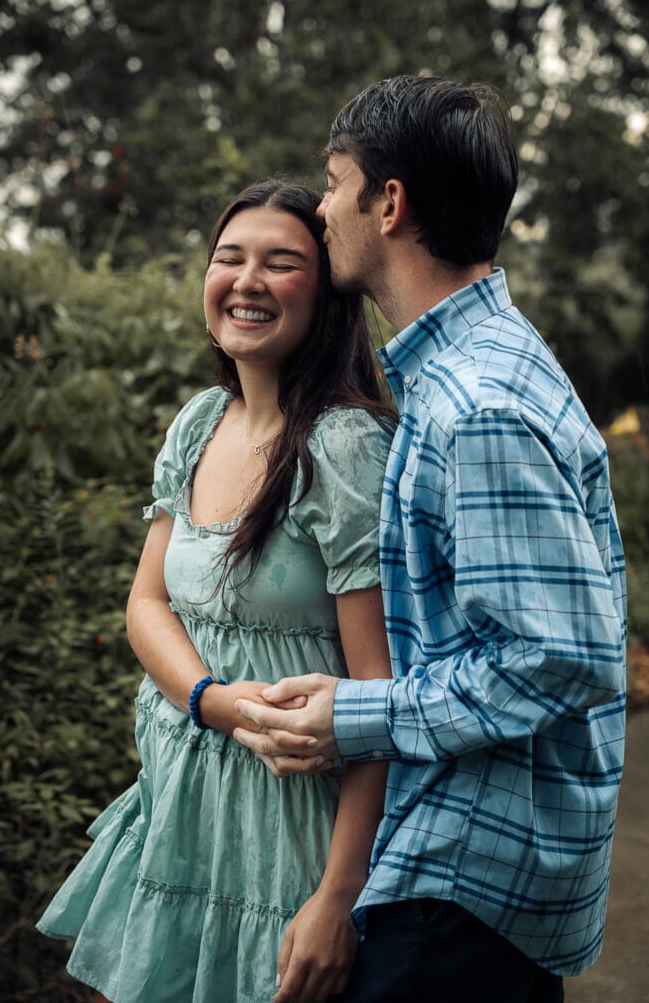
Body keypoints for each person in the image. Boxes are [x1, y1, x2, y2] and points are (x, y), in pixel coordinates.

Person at [232, 77, 628, 1002]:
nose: (322, 207)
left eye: (334, 184)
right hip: (482, 868)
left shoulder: (474, 404)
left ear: (390, 203)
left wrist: (351, 715)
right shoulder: (481, 364)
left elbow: (557, 657)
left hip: (467, 881)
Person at [36, 179, 396, 1003]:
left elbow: (381, 697)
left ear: (328, 291)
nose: (246, 281)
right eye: (228, 258)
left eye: (281, 263)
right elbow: (147, 602)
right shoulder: (200, 421)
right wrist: (214, 701)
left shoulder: (344, 448)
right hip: (182, 801)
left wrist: (336, 900)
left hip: (294, 830)